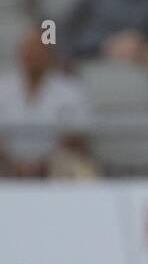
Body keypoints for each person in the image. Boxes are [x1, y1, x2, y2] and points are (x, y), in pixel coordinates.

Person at [0, 26, 97, 178]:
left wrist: (44, 164)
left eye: (38, 52)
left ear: (50, 56)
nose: (33, 57)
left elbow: (77, 136)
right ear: (20, 55)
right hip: (8, 163)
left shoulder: (70, 89)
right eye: (29, 52)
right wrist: (12, 163)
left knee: (78, 168)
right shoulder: (3, 88)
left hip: (55, 163)